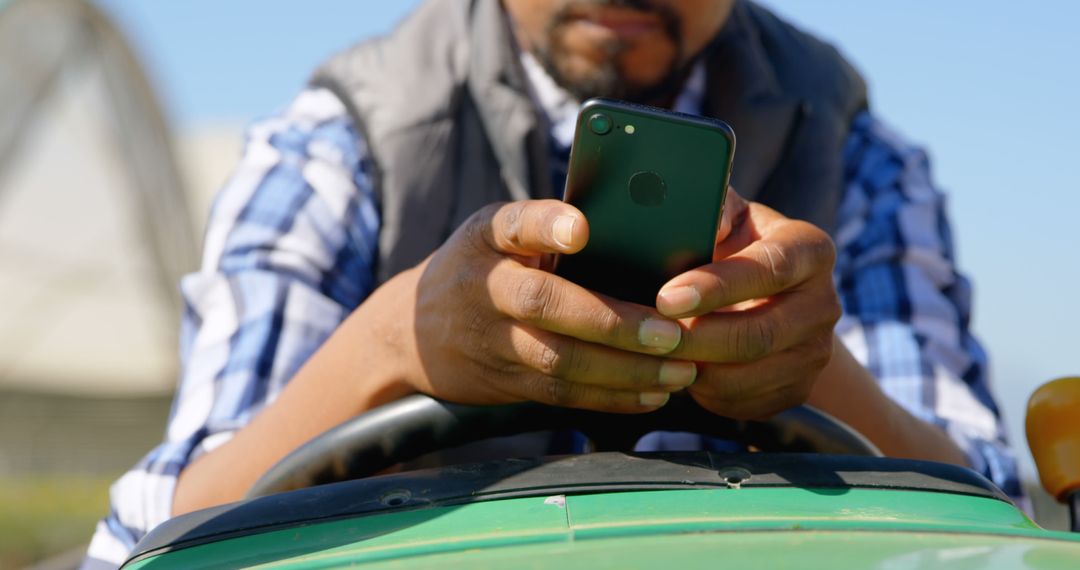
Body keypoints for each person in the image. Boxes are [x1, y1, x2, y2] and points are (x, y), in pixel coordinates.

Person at [83, 0, 1020, 567]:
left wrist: (806, 356)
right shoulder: (347, 134)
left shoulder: (854, 148)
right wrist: (395, 342)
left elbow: (984, 521)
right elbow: (152, 540)